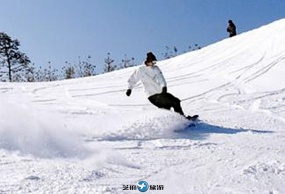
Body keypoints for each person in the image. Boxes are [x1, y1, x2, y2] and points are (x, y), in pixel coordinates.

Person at [126, 52, 198, 120]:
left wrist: (164, 87)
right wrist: (129, 88)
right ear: (148, 61)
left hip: (160, 92)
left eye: (155, 62)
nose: (154, 64)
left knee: (175, 101)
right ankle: (174, 122)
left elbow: (161, 78)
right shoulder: (140, 70)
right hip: (151, 95)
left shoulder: (156, 68)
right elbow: (133, 79)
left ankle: (180, 120)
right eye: (153, 62)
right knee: (167, 107)